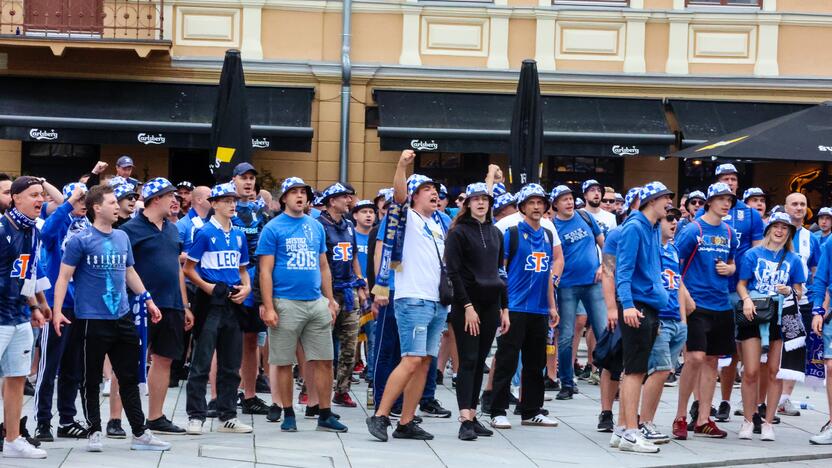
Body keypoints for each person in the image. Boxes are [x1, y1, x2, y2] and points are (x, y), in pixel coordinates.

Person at [52, 184, 170, 453]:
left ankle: (140, 433)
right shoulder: (80, 239)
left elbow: (129, 271)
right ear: (97, 208)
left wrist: (148, 299)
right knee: (91, 378)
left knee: (129, 376)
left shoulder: (121, 237)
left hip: (123, 316)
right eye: (112, 202)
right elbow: (63, 277)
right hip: (91, 319)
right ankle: (94, 430)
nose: (117, 206)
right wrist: (58, 311)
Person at [366, 150, 449, 441]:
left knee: (424, 361)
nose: (434, 194)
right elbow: (399, 195)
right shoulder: (408, 216)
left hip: (436, 300)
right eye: (427, 190)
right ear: (415, 196)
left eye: (436, 190)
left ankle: (407, 421)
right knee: (412, 359)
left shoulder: (438, 223)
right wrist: (402, 165)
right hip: (412, 298)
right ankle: (380, 415)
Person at [258, 177, 347, 433]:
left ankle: (325, 413)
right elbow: (265, 271)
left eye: (303, 192)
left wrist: (329, 299)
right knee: (284, 361)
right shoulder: (273, 228)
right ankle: (287, 413)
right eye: (294, 192)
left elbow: (323, 265)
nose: (299, 196)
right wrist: (269, 306)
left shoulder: (315, 226)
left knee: (325, 360)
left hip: (315, 302)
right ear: (284, 198)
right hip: (285, 302)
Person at [120, 177, 193, 435]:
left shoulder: (173, 229)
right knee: (128, 362)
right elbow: (124, 269)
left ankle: (156, 416)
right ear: (155, 199)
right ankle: (116, 420)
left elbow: (176, 268)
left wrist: (184, 304)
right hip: (139, 304)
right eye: (170, 196)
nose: (176, 200)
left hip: (171, 304)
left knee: (164, 359)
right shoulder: (130, 230)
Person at [182, 182, 253, 435]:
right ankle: (196, 415)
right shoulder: (203, 232)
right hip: (210, 300)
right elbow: (188, 268)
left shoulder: (239, 234)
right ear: (214, 203)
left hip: (233, 300)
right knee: (201, 359)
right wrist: (207, 287)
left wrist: (247, 288)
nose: (232, 204)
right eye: (226, 200)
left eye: (234, 200)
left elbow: (243, 269)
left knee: (231, 362)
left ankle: (227, 415)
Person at [489, 183, 561, 430]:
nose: (537, 207)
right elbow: (501, 271)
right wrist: (503, 307)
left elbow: (548, 273)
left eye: (540, 202)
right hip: (515, 306)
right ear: (522, 206)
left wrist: (552, 306)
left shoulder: (549, 235)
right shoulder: (512, 233)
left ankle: (531, 410)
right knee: (507, 359)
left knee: (536, 362)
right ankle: (497, 409)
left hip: (540, 309)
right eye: (531, 202)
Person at [673, 182, 739, 440]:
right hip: (696, 303)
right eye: (721, 199)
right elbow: (673, 263)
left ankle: (703, 418)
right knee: (695, 358)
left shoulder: (730, 232)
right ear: (709, 201)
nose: (726, 203)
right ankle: (680, 415)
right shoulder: (693, 229)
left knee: (712, 361)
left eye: (729, 200)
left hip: (721, 303)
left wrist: (730, 270)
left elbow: (733, 263)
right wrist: (683, 297)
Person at [444, 182, 508, 440]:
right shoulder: (458, 232)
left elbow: (500, 272)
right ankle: (464, 419)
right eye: (476, 199)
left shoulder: (496, 233)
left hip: (492, 302)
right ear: (467, 203)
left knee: (480, 360)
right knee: (468, 360)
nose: (481, 203)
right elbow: (453, 272)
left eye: (485, 199)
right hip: (467, 304)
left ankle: (473, 413)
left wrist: (505, 307)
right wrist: (467, 306)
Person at [614, 181, 674, 453]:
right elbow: (622, 271)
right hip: (636, 305)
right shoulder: (635, 227)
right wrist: (626, 305)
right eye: (665, 199)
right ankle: (630, 431)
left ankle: (621, 430)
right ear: (651, 201)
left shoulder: (650, 228)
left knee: (634, 370)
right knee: (635, 371)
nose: (669, 203)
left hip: (648, 305)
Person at [703, 164, 764, 424]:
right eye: (725, 179)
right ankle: (712, 403)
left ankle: (737, 402)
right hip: (711, 290)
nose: (730, 183)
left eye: (733, 179)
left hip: (741, 290)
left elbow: (757, 252)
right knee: (712, 352)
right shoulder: (706, 213)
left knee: (739, 349)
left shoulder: (750, 214)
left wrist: (739, 272)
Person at [736, 212, 804, 441]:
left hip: (779, 316)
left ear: (790, 233)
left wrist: (790, 291)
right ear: (768, 229)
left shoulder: (793, 259)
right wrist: (746, 300)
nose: (780, 231)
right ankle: (747, 419)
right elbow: (741, 284)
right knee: (751, 371)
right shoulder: (752, 254)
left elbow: (800, 290)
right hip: (754, 312)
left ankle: (768, 422)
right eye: (775, 226)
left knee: (775, 372)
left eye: (785, 228)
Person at [33, 183, 89, 442]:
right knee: (48, 367)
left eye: (85, 199)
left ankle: (67, 419)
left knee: (73, 367)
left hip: (82, 305)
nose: (83, 203)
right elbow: (46, 236)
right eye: (79, 199)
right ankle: (42, 421)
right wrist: (68, 203)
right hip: (58, 305)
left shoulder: (88, 226)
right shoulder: (54, 224)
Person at [0, 176, 48, 459]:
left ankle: (12, 438)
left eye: (41, 195)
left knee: (18, 376)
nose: (40, 200)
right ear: (16, 198)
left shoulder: (33, 231)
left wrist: (34, 306)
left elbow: (26, 273)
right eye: (33, 195)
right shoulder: (2, 228)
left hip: (19, 314)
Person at [636, 206, 689, 446]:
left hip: (676, 319)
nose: (674, 222)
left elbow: (677, 284)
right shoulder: (651, 248)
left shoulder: (674, 249)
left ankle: (646, 419)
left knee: (662, 372)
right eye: (669, 218)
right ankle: (644, 422)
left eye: (676, 218)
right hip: (659, 318)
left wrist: (683, 321)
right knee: (658, 370)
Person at [550, 185, 606, 400]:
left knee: (603, 332)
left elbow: (605, 244)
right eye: (563, 199)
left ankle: (609, 377)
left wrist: (604, 266)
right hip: (567, 287)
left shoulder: (584, 216)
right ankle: (566, 382)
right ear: (555, 204)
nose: (569, 201)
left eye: (570, 197)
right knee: (565, 336)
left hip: (593, 283)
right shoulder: (552, 227)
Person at [317, 182, 368, 407]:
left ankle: (342, 390)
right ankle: (311, 389)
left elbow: (354, 256)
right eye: (343, 197)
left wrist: (360, 283)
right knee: (321, 343)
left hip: (348, 290)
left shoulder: (348, 226)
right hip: (326, 292)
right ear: (331, 201)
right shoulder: (319, 225)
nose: (349, 201)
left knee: (349, 343)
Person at [230, 162, 272, 416]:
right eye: (243, 178)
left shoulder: (262, 213)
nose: (248, 182)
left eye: (251, 179)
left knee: (251, 341)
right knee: (222, 340)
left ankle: (249, 395)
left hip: (256, 281)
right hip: (230, 278)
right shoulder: (226, 208)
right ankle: (218, 395)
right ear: (233, 180)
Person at [779, 192, 821, 417]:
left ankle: (784, 399)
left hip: (801, 302)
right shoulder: (776, 231)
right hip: (774, 301)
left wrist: (815, 297)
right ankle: (760, 398)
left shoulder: (811, 237)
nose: (798, 207)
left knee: (796, 350)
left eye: (802, 204)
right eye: (794, 204)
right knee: (770, 351)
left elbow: (816, 269)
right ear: (786, 207)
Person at [808, 214, 832, 445]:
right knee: (831, 366)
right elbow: (821, 278)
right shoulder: (830, 242)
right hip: (831, 310)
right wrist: (818, 310)